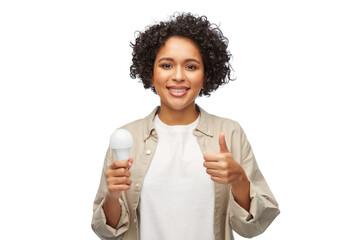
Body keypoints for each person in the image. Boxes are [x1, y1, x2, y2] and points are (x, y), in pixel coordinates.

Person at [91, 12, 280, 240]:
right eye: (167, 65)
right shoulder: (126, 138)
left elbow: (254, 226)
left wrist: (239, 179)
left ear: (206, 75)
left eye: (191, 67)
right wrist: (112, 196)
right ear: (150, 75)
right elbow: (107, 233)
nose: (178, 76)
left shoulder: (230, 133)